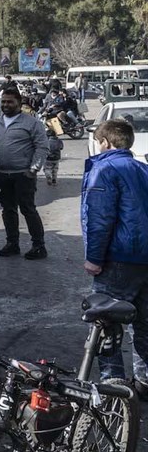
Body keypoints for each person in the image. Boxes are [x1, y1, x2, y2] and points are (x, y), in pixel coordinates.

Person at [81, 119, 148, 395]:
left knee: (106, 326)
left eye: (98, 142)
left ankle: (114, 390)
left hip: (118, 260)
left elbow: (99, 218)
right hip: (144, 259)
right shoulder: (143, 169)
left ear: (105, 142)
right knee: (144, 325)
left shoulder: (104, 169)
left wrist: (93, 258)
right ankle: (143, 383)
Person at [0, 86, 50, 259]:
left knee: (28, 209)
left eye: (10, 102)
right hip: (2, 175)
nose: (5, 105)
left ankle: (39, 246)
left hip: (23, 175)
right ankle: (12, 244)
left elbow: (42, 147)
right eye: (3, 101)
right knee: (8, 210)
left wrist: (33, 169)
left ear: (19, 103)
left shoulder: (32, 123)